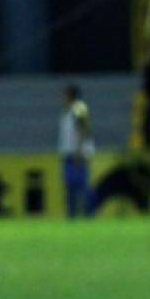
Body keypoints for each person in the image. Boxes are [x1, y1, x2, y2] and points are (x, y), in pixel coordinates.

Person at [59, 83, 94, 218]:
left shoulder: (79, 108)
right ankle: (72, 215)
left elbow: (84, 129)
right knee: (70, 186)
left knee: (81, 186)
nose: (62, 98)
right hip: (69, 153)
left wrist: (79, 150)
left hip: (77, 153)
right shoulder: (68, 110)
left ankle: (88, 214)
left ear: (70, 95)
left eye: (64, 95)